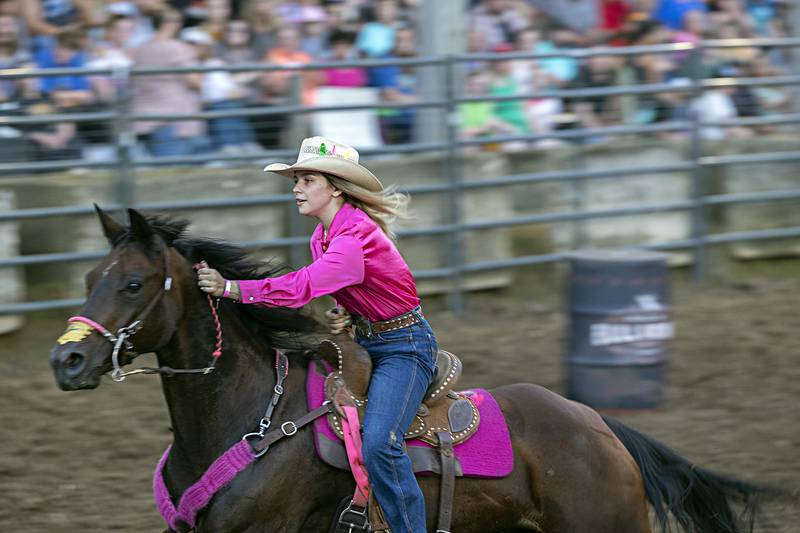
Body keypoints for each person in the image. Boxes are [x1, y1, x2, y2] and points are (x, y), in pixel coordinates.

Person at [197, 136, 438, 533]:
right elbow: (351, 284)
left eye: (307, 180)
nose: (296, 188)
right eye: (297, 180)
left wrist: (232, 288)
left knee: (380, 441)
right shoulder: (323, 237)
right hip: (371, 340)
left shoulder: (352, 238)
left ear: (335, 187)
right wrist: (348, 311)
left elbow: (301, 288)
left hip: (404, 347)